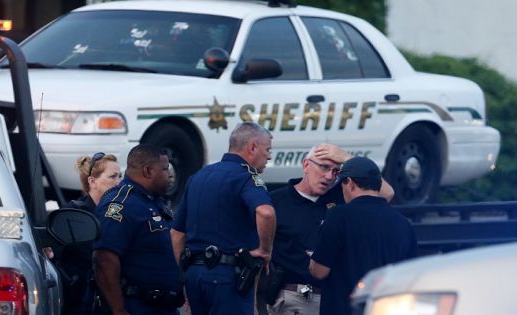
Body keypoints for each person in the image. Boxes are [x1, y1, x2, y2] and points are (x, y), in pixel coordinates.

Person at [264, 144, 394, 315]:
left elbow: (387, 193)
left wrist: (348, 159)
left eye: (336, 171)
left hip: (334, 297)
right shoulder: (276, 201)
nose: (328, 176)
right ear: (306, 165)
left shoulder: (341, 198)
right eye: (324, 167)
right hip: (293, 296)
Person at [171, 122, 277, 315]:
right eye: (267, 149)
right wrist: (265, 250)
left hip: (194, 275)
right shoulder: (246, 177)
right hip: (228, 277)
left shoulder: (198, 177)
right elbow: (266, 212)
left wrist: (181, 277)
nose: (269, 156)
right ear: (252, 147)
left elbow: (177, 234)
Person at [309, 156, 418, 315]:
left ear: (350, 183)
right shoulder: (403, 223)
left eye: (342, 185)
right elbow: (410, 275)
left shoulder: (338, 216)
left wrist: (312, 261)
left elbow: (319, 271)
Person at [93, 144, 183, 315]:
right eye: (165, 169)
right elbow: (104, 259)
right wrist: (118, 309)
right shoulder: (121, 204)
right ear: (148, 171)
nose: (170, 174)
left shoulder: (154, 201)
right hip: (137, 306)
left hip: (165, 306)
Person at [58, 152, 122, 315]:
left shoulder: (118, 213)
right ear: (92, 181)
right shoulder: (74, 214)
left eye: (120, 176)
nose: (119, 182)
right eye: (113, 177)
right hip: (80, 300)